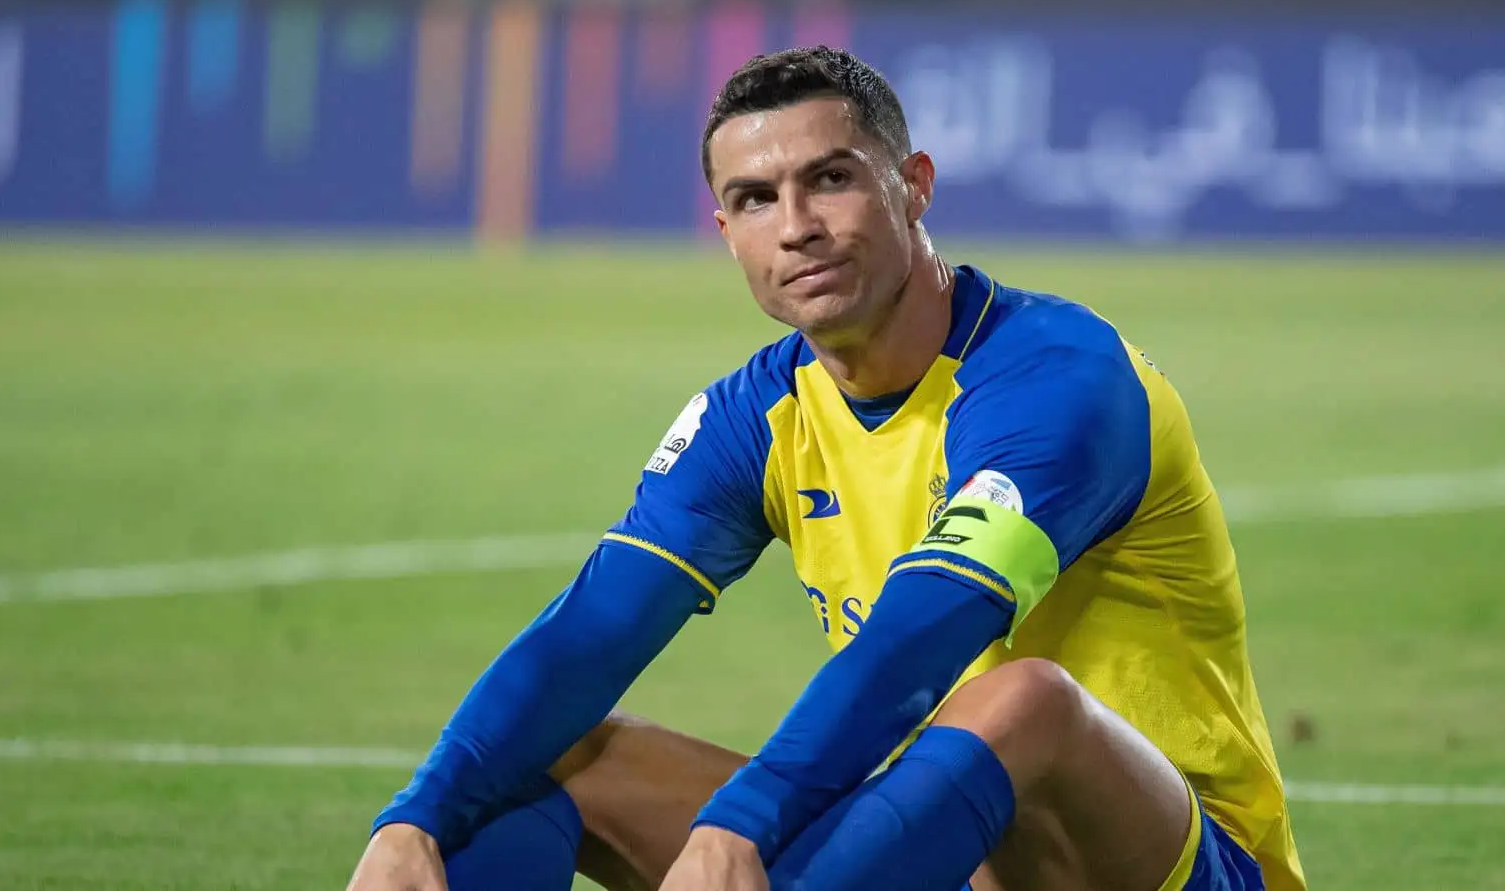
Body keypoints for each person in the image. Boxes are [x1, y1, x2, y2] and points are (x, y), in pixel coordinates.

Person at [346, 45, 1306, 891]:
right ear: (726, 234)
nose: (795, 225)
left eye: (831, 179)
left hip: (1169, 864)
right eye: (754, 200)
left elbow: (933, 627)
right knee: (545, 754)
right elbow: (593, 632)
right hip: (929, 851)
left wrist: (739, 821)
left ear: (914, 184)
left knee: (1024, 698)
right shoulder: (756, 414)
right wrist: (414, 816)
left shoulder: (1055, 376)